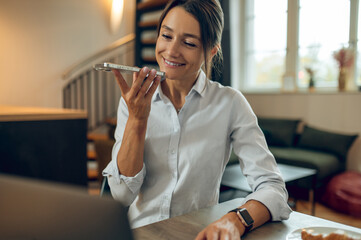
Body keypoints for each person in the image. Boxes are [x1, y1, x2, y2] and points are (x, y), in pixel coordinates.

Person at [103, 0, 292, 239]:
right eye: (166, 36)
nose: (171, 51)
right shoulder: (134, 101)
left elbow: (273, 188)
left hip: (199, 235)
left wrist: (236, 220)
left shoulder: (230, 103)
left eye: (189, 43)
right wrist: (137, 120)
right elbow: (121, 196)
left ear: (211, 50)